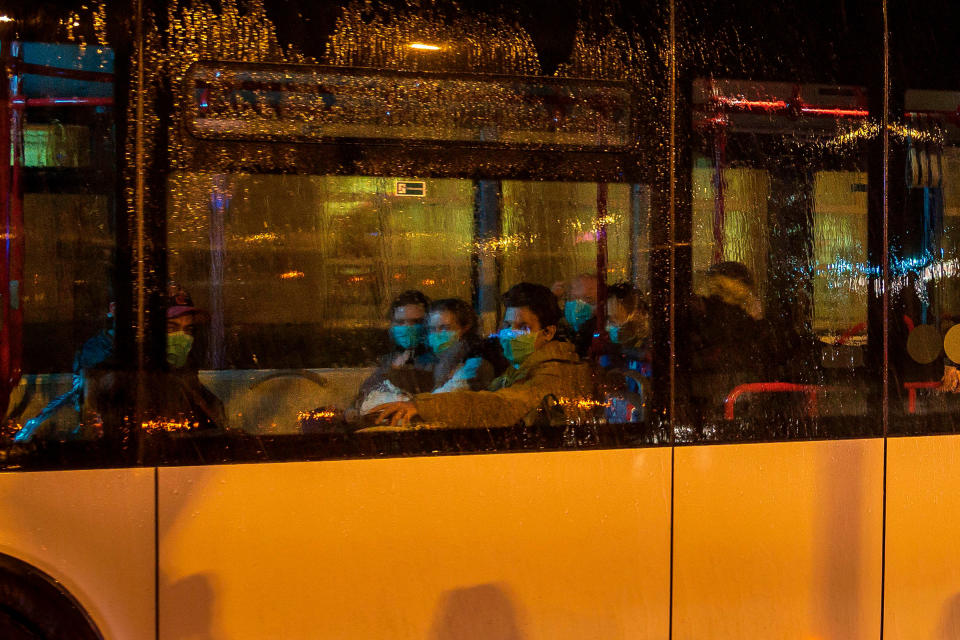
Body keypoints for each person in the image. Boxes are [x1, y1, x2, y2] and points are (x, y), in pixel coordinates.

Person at [373, 283, 593, 428]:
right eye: (507, 325)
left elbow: (499, 406)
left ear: (548, 332)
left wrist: (424, 406)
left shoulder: (554, 373)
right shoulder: (519, 369)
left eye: (523, 327)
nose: (510, 334)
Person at [348, 290, 435, 418]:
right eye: (400, 323)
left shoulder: (438, 362)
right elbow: (361, 399)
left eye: (416, 322)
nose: (408, 328)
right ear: (391, 326)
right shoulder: (389, 360)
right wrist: (350, 412)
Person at [426, 298, 499, 393]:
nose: (437, 334)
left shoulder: (475, 364)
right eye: (432, 329)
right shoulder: (434, 363)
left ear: (465, 328)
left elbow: (441, 399)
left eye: (445, 328)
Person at [556, 274, 599, 357]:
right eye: (573, 298)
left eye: (588, 298)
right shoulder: (559, 328)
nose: (578, 303)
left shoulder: (601, 331)